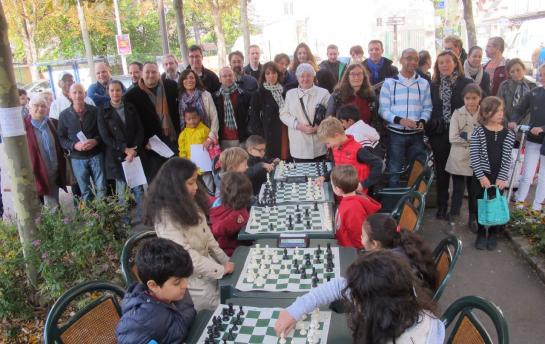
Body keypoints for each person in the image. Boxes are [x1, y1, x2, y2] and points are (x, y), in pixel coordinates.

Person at [274, 250, 443, 343]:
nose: (350, 298)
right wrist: (297, 309)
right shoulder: (396, 295)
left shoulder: (423, 337)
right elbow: (338, 286)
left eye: (355, 299)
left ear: (375, 308)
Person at [144, 158, 235, 311]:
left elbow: (209, 240)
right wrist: (220, 270)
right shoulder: (166, 219)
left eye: (195, 182)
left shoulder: (189, 203)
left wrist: (227, 262)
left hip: (209, 271)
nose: (196, 188)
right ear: (175, 187)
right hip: (193, 285)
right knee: (222, 313)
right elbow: (186, 256)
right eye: (190, 183)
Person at [115, 238, 196, 344]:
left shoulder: (175, 292)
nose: (185, 285)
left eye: (185, 278)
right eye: (177, 282)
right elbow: (127, 337)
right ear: (153, 286)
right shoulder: (139, 321)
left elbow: (188, 316)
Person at [425, 51, 473, 219]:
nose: (444, 65)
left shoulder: (466, 83)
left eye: (448, 61)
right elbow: (429, 110)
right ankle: (442, 206)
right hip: (440, 133)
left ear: (455, 63)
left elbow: (473, 107)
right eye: (441, 63)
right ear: (437, 66)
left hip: (460, 134)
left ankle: (455, 209)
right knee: (442, 171)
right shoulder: (433, 85)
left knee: (459, 172)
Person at [380, 48, 432, 187]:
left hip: (416, 135)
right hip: (395, 135)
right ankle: (394, 203)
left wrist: (422, 120)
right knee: (394, 169)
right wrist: (399, 120)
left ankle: (413, 205)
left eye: (415, 59)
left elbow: (427, 108)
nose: (413, 62)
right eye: (409, 58)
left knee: (417, 170)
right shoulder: (389, 83)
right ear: (401, 60)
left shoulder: (423, 83)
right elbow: (383, 110)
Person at [470, 97, 515, 250]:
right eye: (496, 111)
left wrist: (503, 177)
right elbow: (474, 155)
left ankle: (494, 233)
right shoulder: (478, 131)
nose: (500, 114)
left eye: (501, 110)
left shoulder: (508, 134)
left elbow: (507, 158)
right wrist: (481, 176)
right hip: (482, 176)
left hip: (498, 177)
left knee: (496, 203)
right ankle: (482, 232)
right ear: (486, 113)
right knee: (481, 203)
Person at [97, 80, 145, 222]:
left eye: (118, 90)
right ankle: (125, 222)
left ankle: (144, 219)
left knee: (138, 189)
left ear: (122, 91)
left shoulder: (131, 107)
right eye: (112, 90)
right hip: (116, 156)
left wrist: (134, 149)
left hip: (133, 155)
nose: (115, 93)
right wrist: (125, 149)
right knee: (122, 191)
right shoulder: (102, 110)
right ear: (108, 92)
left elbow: (140, 129)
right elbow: (105, 136)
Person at [124, 61, 179, 181]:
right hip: (150, 146)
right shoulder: (131, 96)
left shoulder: (171, 86)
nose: (150, 75)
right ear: (142, 74)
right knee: (156, 181)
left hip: (173, 139)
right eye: (147, 72)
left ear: (159, 74)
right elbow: (132, 125)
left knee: (176, 179)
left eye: (154, 72)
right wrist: (143, 142)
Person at [57, 83, 106, 201]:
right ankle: (91, 218)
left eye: (80, 92)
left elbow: (103, 133)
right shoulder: (63, 115)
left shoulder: (95, 111)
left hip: (96, 155)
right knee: (85, 191)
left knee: (101, 188)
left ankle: (103, 217)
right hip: (77, 158)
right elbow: (61, 138)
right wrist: (74, 145)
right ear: (69, 95)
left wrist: (95, 141)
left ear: (85, 94)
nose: (78, 95)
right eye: (74, 92)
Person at [509, 64, 545, 212]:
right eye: (541, 74)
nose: (542, 77)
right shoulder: (535, 93)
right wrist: (514, 120)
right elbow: (519, 109)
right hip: (533, 139)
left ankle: (536, 208)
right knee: (527, 173)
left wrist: (542, 128)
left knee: (543, 176)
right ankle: (519, 202)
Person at [445, 83, 481, 229]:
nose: (471, 101)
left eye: (474, 98)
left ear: (480, 98)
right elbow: (452, 137)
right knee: (458, 190)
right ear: (463, 98)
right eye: (468, 98)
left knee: (474, 191)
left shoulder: (484, 113)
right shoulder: (457, 113)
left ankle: (473, 218)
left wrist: (465, 135)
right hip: (459, 158)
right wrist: (476, 137)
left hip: (477, 158)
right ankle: (453, 216)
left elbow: (486, 135)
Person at [317, 117, 383, 192]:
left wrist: (364, 185)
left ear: (337, 135)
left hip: (357, 196)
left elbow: (378, 163)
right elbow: (338, 168)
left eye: (328, 143)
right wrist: (324, 177)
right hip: (341, 193)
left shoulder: (357, 150)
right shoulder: (335, 148)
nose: (327, 146)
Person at [280, 63, 330, 162]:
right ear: (297, 78)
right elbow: (283, 114)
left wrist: (319, 127)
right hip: (299, 146)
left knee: (320, 175)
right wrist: (297, 125)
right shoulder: (290, 94)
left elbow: (330, 115)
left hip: (320, 146)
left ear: (313, 76)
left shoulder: (323, 93)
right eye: (302, 76)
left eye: (308, 76)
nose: (305, 79)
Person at [25, 93, 67, 208]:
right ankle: (56, 223)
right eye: (36, 105)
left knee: (52, 203)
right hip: (36, 173)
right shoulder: (24, 127)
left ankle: (57, 222)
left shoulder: (53, 123)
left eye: (43, 106)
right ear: (29, 107)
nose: (40, 108)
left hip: (53, 170)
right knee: (43, 206)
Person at [331, 165, 381, 248]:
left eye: (332, 185)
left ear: (337, 189)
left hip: (351, 250)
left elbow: (358, 237)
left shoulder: (353, 209)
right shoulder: (351, 200)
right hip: (344, 242)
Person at [248, 61, 290, 160]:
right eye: (268, 73)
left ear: (278, 74)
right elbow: (254, 118)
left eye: (274, 73)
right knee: (271, 163)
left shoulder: (285, 91)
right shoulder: (259, 93)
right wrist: (262, 135)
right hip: (268, 135)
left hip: (285, 131)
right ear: (264, 76)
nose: (271, 76)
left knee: (285, 161)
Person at [210, 172, 253, 256]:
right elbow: (216, 230)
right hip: (232, 252)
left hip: (224, 248)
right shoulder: (238, 215)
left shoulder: (218, 202)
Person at [177, 106, 215, 193]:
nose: (192, 121)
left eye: (194, 118)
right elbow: (182, 151)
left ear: (199, 117)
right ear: (185, 119)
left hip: (205, 165)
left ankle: (211, 199)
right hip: (191, 165)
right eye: (189, 119)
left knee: (208, 183)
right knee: (195, 186)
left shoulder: (205, 130)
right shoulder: (183, 135)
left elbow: (212, 144)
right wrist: (184, 163)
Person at [213, 67, 252, 149]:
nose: (228, 78)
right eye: (224, 76)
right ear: (220, 79)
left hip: (242, 139)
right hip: (223, 140)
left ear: (234, 77)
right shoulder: (215, 97)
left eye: (230, 75)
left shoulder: (245, 95)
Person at [178, 69, 219, 141]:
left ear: (196, 80)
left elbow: (214, 117)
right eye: (185, 78)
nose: (189, 80)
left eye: (191, 77)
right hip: (188, 138)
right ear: (182, 81)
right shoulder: (180, 98)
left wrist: (211, 137)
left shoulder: (205, 95)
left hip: (206, 136)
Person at [497, 58, 537, 122]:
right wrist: (507, 123)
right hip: (506, 123)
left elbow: (533, 109)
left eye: (518, 70)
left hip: (525, 124)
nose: (515, 73)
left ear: (524, 70)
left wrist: (523, 123)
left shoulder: (532, 86)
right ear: (509, 74)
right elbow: (499, 106)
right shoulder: (504, 86)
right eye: (512, 72)